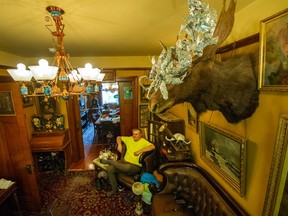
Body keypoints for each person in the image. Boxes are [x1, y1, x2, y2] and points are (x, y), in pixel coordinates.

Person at [100, 128, 155, 197]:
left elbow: (152, 146)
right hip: (123, 162)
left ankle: (109, 161)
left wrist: (140, 151)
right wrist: (119, 144)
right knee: (110, 169)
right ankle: (114, 189)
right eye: (133, 134)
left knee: (127, 167)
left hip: (134, 166)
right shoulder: (130, 139)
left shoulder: (143, 141)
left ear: (141, 135)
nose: (134, 136)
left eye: (136, 134)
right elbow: (118, 137)